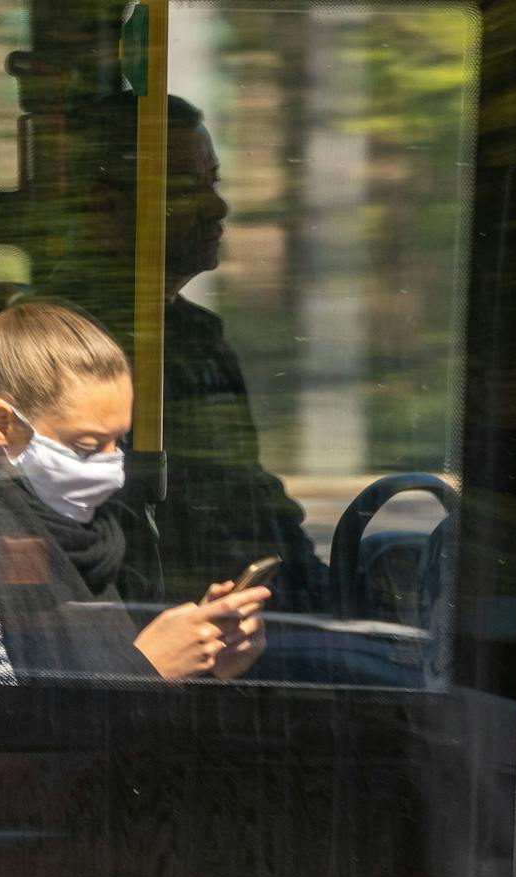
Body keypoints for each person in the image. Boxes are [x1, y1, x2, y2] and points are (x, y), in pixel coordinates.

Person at [0, 290, 269, 685]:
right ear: (3, 424)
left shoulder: (107, 546)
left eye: (119, 442)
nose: (114, 467)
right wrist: (147, 670)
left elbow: (131, 701)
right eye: (87, 446)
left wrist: (205, 661)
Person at [53, 93, 330, 612]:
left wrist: (327, 595)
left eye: (213, 182)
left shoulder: (197, 338)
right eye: (185, 187)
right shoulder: (62, 348)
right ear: (104, 208)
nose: (218, 207)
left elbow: (250, 496)